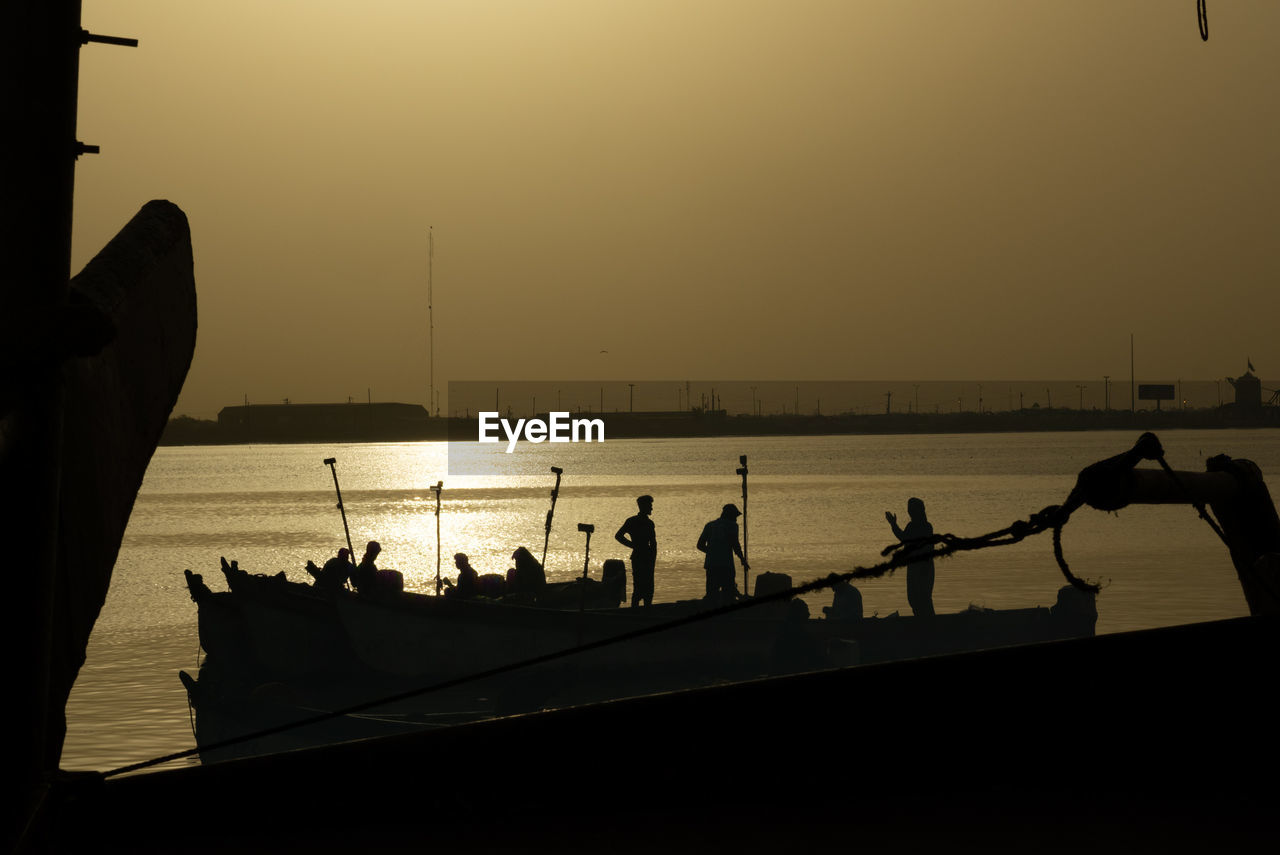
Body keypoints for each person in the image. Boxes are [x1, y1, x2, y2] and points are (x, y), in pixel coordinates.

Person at [885, 497, 935, 617]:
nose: (909, 512)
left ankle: (929, 623)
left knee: (923, 598)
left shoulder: (926, 527)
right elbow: (903, 538)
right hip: (913, 567)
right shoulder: (911, 526)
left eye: (911, 509)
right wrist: (893, 524)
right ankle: (920, 621)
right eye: (909, 509)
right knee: (912, 598)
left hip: (924, 568)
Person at [697, 504, 748, 604]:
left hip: (711, 565)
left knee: (711, 594)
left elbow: (700, 545)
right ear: (730, 515)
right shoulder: (732, 526)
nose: (736, 519)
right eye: (735, 516)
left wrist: (712, 552)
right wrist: (742, 559)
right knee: (728, 594)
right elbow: (735, 545)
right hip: (726, 565)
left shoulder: (710, 525)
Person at [615, 494, 657, 607]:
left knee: (644, 586)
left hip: (644, 557)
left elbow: (653, 544)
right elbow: (618, 536)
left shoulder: (646, 523)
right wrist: (633, 545)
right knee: (642, 587)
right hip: (641, 557)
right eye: (650, 505)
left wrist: (634, 546)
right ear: (643, 506)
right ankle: (638, 610)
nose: (652, 508)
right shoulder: (638, 522)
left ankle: (641, 609)